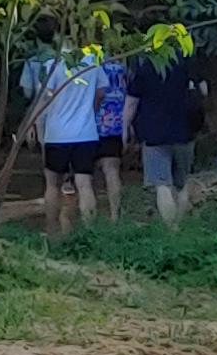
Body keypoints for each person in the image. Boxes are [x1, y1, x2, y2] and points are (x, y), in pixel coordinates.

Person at [24, 47, 105, 232]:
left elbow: (43, 98)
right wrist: (89, 109)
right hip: (86, 133)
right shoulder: (93, 61)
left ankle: (52, 230)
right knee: (85, 184)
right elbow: (101, 92)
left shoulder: (53, 64)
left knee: (52, 184)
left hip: (56, 134)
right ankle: (89, 231)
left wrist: (32, 124)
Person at [129, 46, 205, 225]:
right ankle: (180, 225)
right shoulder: (186, 61)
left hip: (153, 133)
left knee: (162, 184)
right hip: (185, 130)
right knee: (182, 183)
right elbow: (204, 91)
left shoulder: (145, 65)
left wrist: (126, 128)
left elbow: (131, 102)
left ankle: (171, 229)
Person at [92, 55, 129, 222]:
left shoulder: (92, 66)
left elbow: (97, 95)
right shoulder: (121, 67)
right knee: (112, 170)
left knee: (86, 173)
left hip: (95, 123)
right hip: (117, 123)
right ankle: (115, 214)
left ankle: (91, 214)